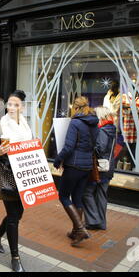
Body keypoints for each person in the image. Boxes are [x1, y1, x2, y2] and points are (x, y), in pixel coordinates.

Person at [0, 90, 32, 272]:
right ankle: (15, 257)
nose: (12, 107)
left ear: (22, 107)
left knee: (18, 213)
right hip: (7, 174)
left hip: (24, 174)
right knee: (14, 217)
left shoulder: (26, 125)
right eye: (10, 104)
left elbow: (30, 147)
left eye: (16, 104)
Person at [53, 96, 99, 247]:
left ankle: (80, 228)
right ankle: (75, 232)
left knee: (64, 196)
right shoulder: (93, 122)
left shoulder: (75, 122)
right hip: (87, 167)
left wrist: (58, 160)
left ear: (76, 108)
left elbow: (68, 147)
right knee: (78, 198)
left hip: (73, 165)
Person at [82, 106, 116, 231]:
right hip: (108, 168)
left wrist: (88, 146)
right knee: (101, 195)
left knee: (86, 192)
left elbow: (100, 149)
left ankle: (93, 220)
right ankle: (101, 223)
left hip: (100, 169)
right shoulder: (111, 129)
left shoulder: (102, 131)